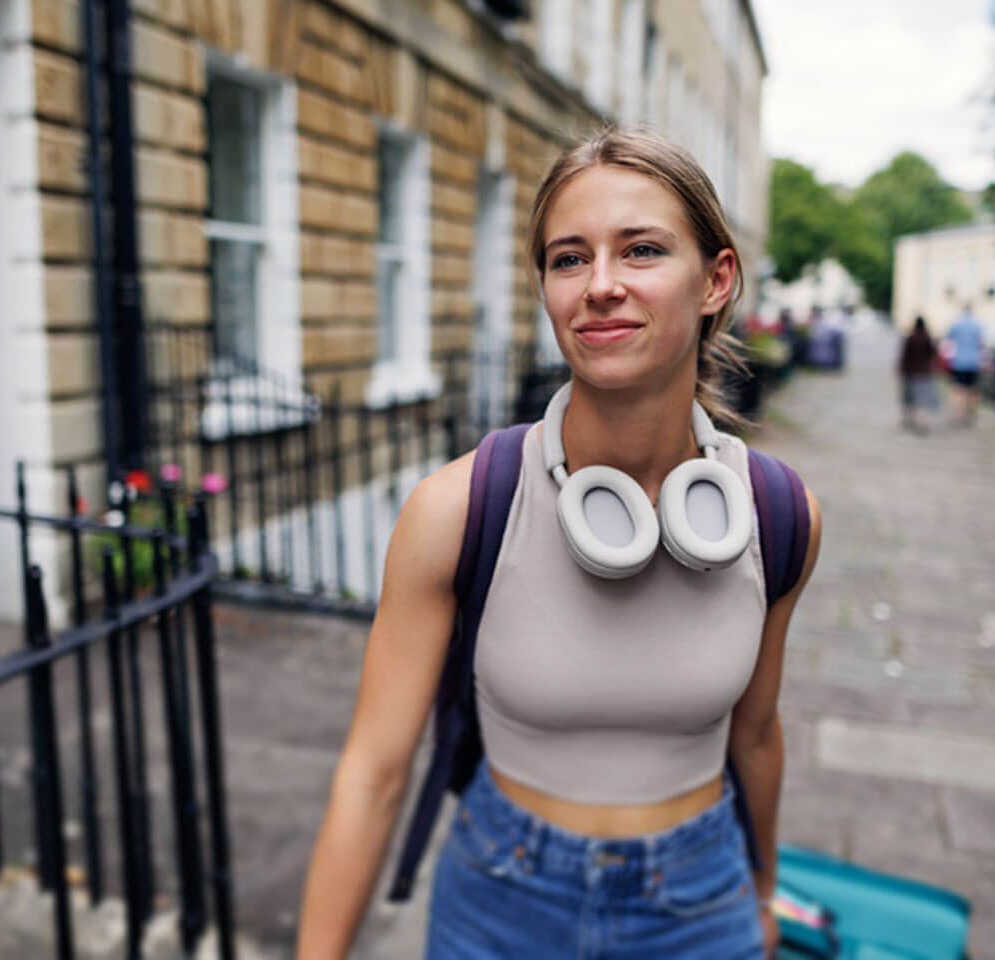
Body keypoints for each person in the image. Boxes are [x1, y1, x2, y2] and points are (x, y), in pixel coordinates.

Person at [295, 128, 821, 959]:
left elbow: (755, 733)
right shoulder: (455, 510)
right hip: (500, 902)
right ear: (544, 287)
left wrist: (761, 890)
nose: (601, 285)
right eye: (569, 259)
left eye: (642, 249)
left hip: (702, 904)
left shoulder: (778, 512)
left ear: (717, 279)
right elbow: (374, 772)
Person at [945, 304, 985, 427]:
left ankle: (958, 415)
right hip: (974, 361)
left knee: (958, 390)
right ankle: (971, 415)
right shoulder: (977, 325)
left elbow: (949, 340)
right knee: (973, 390)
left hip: (959, 361)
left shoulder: (956, 324)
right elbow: (981, 343)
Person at [898, 317, 937, 433]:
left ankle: (910, 419)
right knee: (922, 398)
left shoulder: (910, 338)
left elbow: (904, 356)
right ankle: (921, 421)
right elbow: (933, 354)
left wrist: (901, 370)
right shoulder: (927, 338)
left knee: (910, 397)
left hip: (910, 372)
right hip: (924, 372)